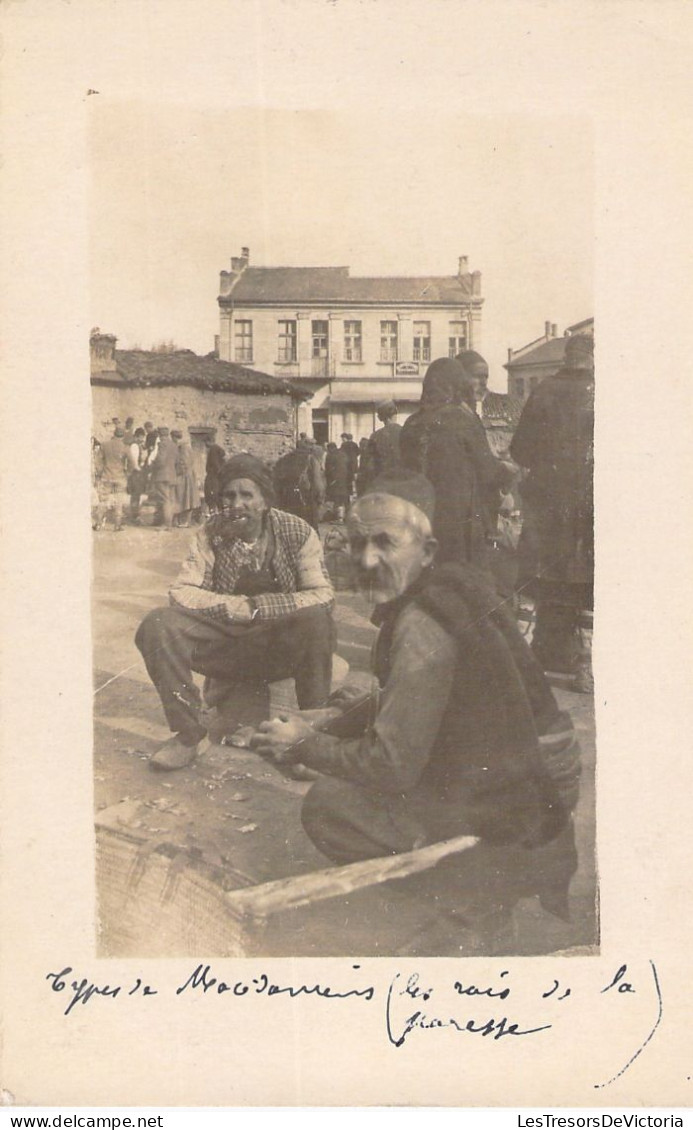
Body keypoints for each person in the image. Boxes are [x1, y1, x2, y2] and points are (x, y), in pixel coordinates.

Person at [252, 471, 579, 939]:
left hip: (524, 790)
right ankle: (476, 885)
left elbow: (392, 766)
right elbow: (421, 696)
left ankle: (474, 905)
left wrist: (305, 745)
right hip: (530, 770)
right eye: (356, 543)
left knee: (330, 807)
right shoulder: (453, 586)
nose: (368, 559)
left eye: (385, 543)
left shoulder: (422, 622)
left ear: (426, 551)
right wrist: (328, 720)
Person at [135, 453, 335, 770]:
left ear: (265, 501)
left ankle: (308, 740)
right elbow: (181, 592)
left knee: (316, 620)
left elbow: (323, 595)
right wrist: (238, 609)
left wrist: (263, 607)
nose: (237, 504)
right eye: (229, 495)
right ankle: (189, 736)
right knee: (158, 624)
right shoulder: (208, 534)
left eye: (247, 495)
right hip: (227, 648)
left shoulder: (298, 533)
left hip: (278, 649)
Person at [510, 333, 595, 693]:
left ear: (565, 356)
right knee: (591, 583)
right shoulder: (606, 392)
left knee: (536, 578)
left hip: (547, 507)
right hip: (592, 507)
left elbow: (519, 451)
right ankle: (586, 666)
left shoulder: (543, 391)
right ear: (591, 358)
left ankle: (522, 661)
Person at [400, 357, 515, 569]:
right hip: (456, 522)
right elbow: (488, 471)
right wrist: (508, 472)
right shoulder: (462, 420)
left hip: (418, 519)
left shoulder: (410, 424)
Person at [456, 349, 523, 455]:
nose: (483, 383)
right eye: (477, 376)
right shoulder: (451, 414)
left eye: (485, 377)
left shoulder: (494, 407)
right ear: (459, 378)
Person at [273, 437, 326, 531]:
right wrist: (319, 499)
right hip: (306, 500)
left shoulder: (285, 459)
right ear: (309, 447)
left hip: (287, 500)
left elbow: (276, 480)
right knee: (309, 531)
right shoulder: (311, 459)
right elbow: (318, 484)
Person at [358, 399, 402, 494]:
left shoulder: (375, 436)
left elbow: (368, 467)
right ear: (395, 413)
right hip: (404, 484)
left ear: (380, 417)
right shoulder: (406, 432)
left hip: (383, 485)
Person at [94, 426, 129, 531]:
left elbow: (98, 461)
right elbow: (132, 462)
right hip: (120, 477)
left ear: (114, 434)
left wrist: (100, 472)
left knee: (103, 500)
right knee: (119, 501)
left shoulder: (104, 445)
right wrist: (128, 472)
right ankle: (117, 525)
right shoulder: (125, 447)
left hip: (106, 476)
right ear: (123, 436)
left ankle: (98, 524)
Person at [148, 426, 179, 529]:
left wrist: (152, 465)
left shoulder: (162, 444)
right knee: (170, 500)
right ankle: (169, 523)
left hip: (162, 476)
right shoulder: (174, 445)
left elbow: (161, 460)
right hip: (172, 476)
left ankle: (167, 525)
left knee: (165, 500)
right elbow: (177, 462)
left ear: (161, 435)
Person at [171, 429, 198, 527]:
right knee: (186, 498)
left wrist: (176, 471)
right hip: (188, 475)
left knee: (182, 498)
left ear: (175, 437)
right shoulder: (186, 447)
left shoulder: (183, 448)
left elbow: (183, 463)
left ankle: (184, 521)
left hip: (184, 476)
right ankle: (183, 521)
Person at [126, 427, 147, 524]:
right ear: (137, 436)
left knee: (136, 495)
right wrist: (140, 470)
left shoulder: (137, 445)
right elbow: (134, 462)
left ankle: (134, 515)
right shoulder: (134, 446)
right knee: (135, 495)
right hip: (136, 473)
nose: (142, 439)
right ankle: (135, 517)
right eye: (141, 437)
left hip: (136, 473)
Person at [204, 442, 226, 514]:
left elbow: (214, 464)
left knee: (212, 495)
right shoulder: (218, 450)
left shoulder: (213, 450)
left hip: (213, 477)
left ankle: (214, 513)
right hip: (217, 477)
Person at [340, 433, 360, 498]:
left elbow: (341, 453)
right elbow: (358, 452)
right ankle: (355, 491)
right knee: (354, 476)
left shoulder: (344, 445)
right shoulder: (355, 444)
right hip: (354, 463)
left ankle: (349, 491)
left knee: (347, 477)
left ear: (346, 438)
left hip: (347, 463)